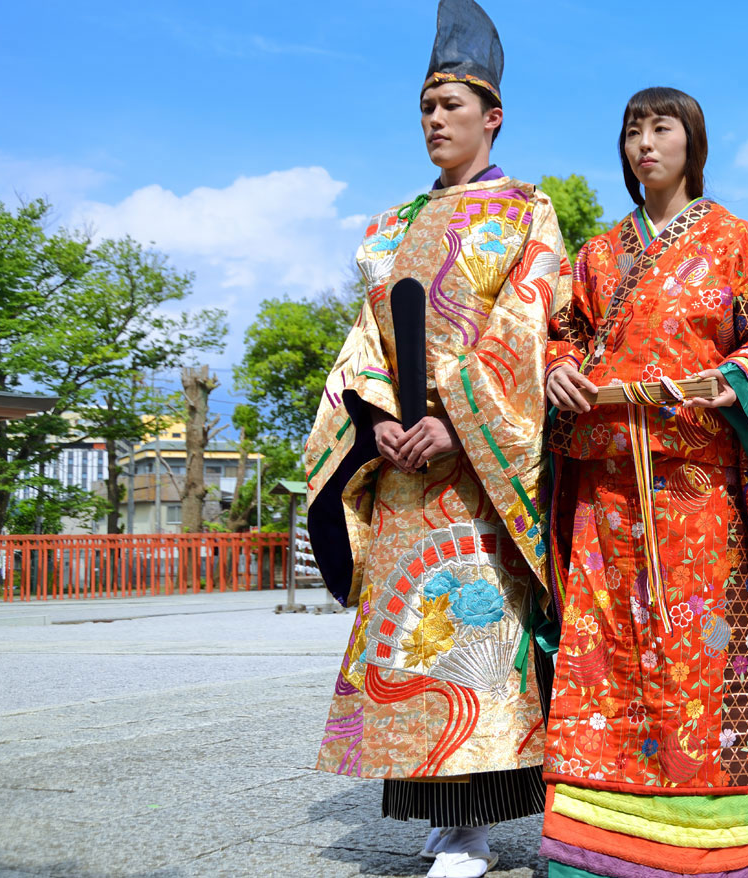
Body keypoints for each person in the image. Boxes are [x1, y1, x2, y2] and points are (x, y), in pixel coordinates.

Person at [539, 86, 748, 878]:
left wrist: (736, 376)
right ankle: (590, 851)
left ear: (691, 143)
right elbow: (559, 333)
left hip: (697, 492)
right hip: (603, 496)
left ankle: (715, 852)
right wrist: (561, 370)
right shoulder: (598, 255)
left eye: (661, 128)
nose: (645, 143)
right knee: (601, 660)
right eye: (632, 129)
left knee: (703, 657)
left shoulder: (735, 240)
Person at [302, 3, 570, 876]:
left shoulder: (530, 214)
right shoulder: (385, 229)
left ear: (493, 117)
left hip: (478, 470)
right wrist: (380, 422)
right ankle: (437, 815)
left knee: (474, 637)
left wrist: (454, 422)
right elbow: (361, 346)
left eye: (451, 105)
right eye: (424, 106)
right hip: (403, 471)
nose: (434, 120)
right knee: (406, 647)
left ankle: (473, 827)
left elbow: (529, 331)